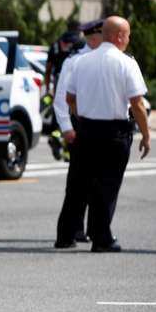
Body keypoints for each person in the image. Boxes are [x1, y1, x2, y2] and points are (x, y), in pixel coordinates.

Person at [65, 16, 150, 253]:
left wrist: (82, 115)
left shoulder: (82, 62)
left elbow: (69, 98)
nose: (129, 39)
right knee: (108, 186)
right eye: (128, 35)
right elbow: (137, 103)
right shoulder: (126, 63)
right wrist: (146, 134)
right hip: (114, 132)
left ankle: (76, 233)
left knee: (84, 183)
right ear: (119, 36)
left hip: (87, 129)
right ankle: (101, 237)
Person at [53, 19, 103, 248]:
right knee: (78, 182)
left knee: (98, 182)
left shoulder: (107, 59)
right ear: (94, 36)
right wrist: (66, 128)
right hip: (80, 127)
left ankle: (93, 229)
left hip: (101, 126)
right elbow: (61, 98)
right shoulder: (74, 62)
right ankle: (75, 228)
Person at [44, 19, 82, 94]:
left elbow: (48, 68)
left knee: (58, 104)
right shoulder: (82, 44)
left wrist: (47, 88)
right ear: (79, 29)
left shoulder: (56, 44)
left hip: (59, 80)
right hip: (76, 81)